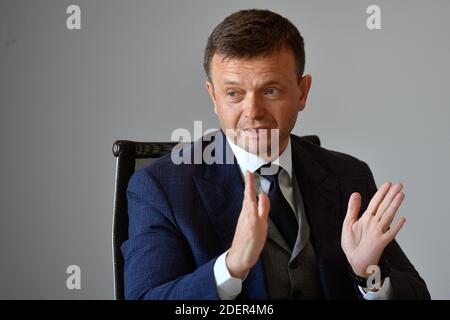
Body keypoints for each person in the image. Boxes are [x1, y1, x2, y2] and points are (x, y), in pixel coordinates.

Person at [122, 9, 430, 300]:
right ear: (213, 98)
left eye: (271, 90)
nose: (253, 112)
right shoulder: (158, 186)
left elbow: (417, 293)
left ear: (302, 93)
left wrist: (367, 274)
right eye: (234, 94)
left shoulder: (348, 176)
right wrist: (230, 268)